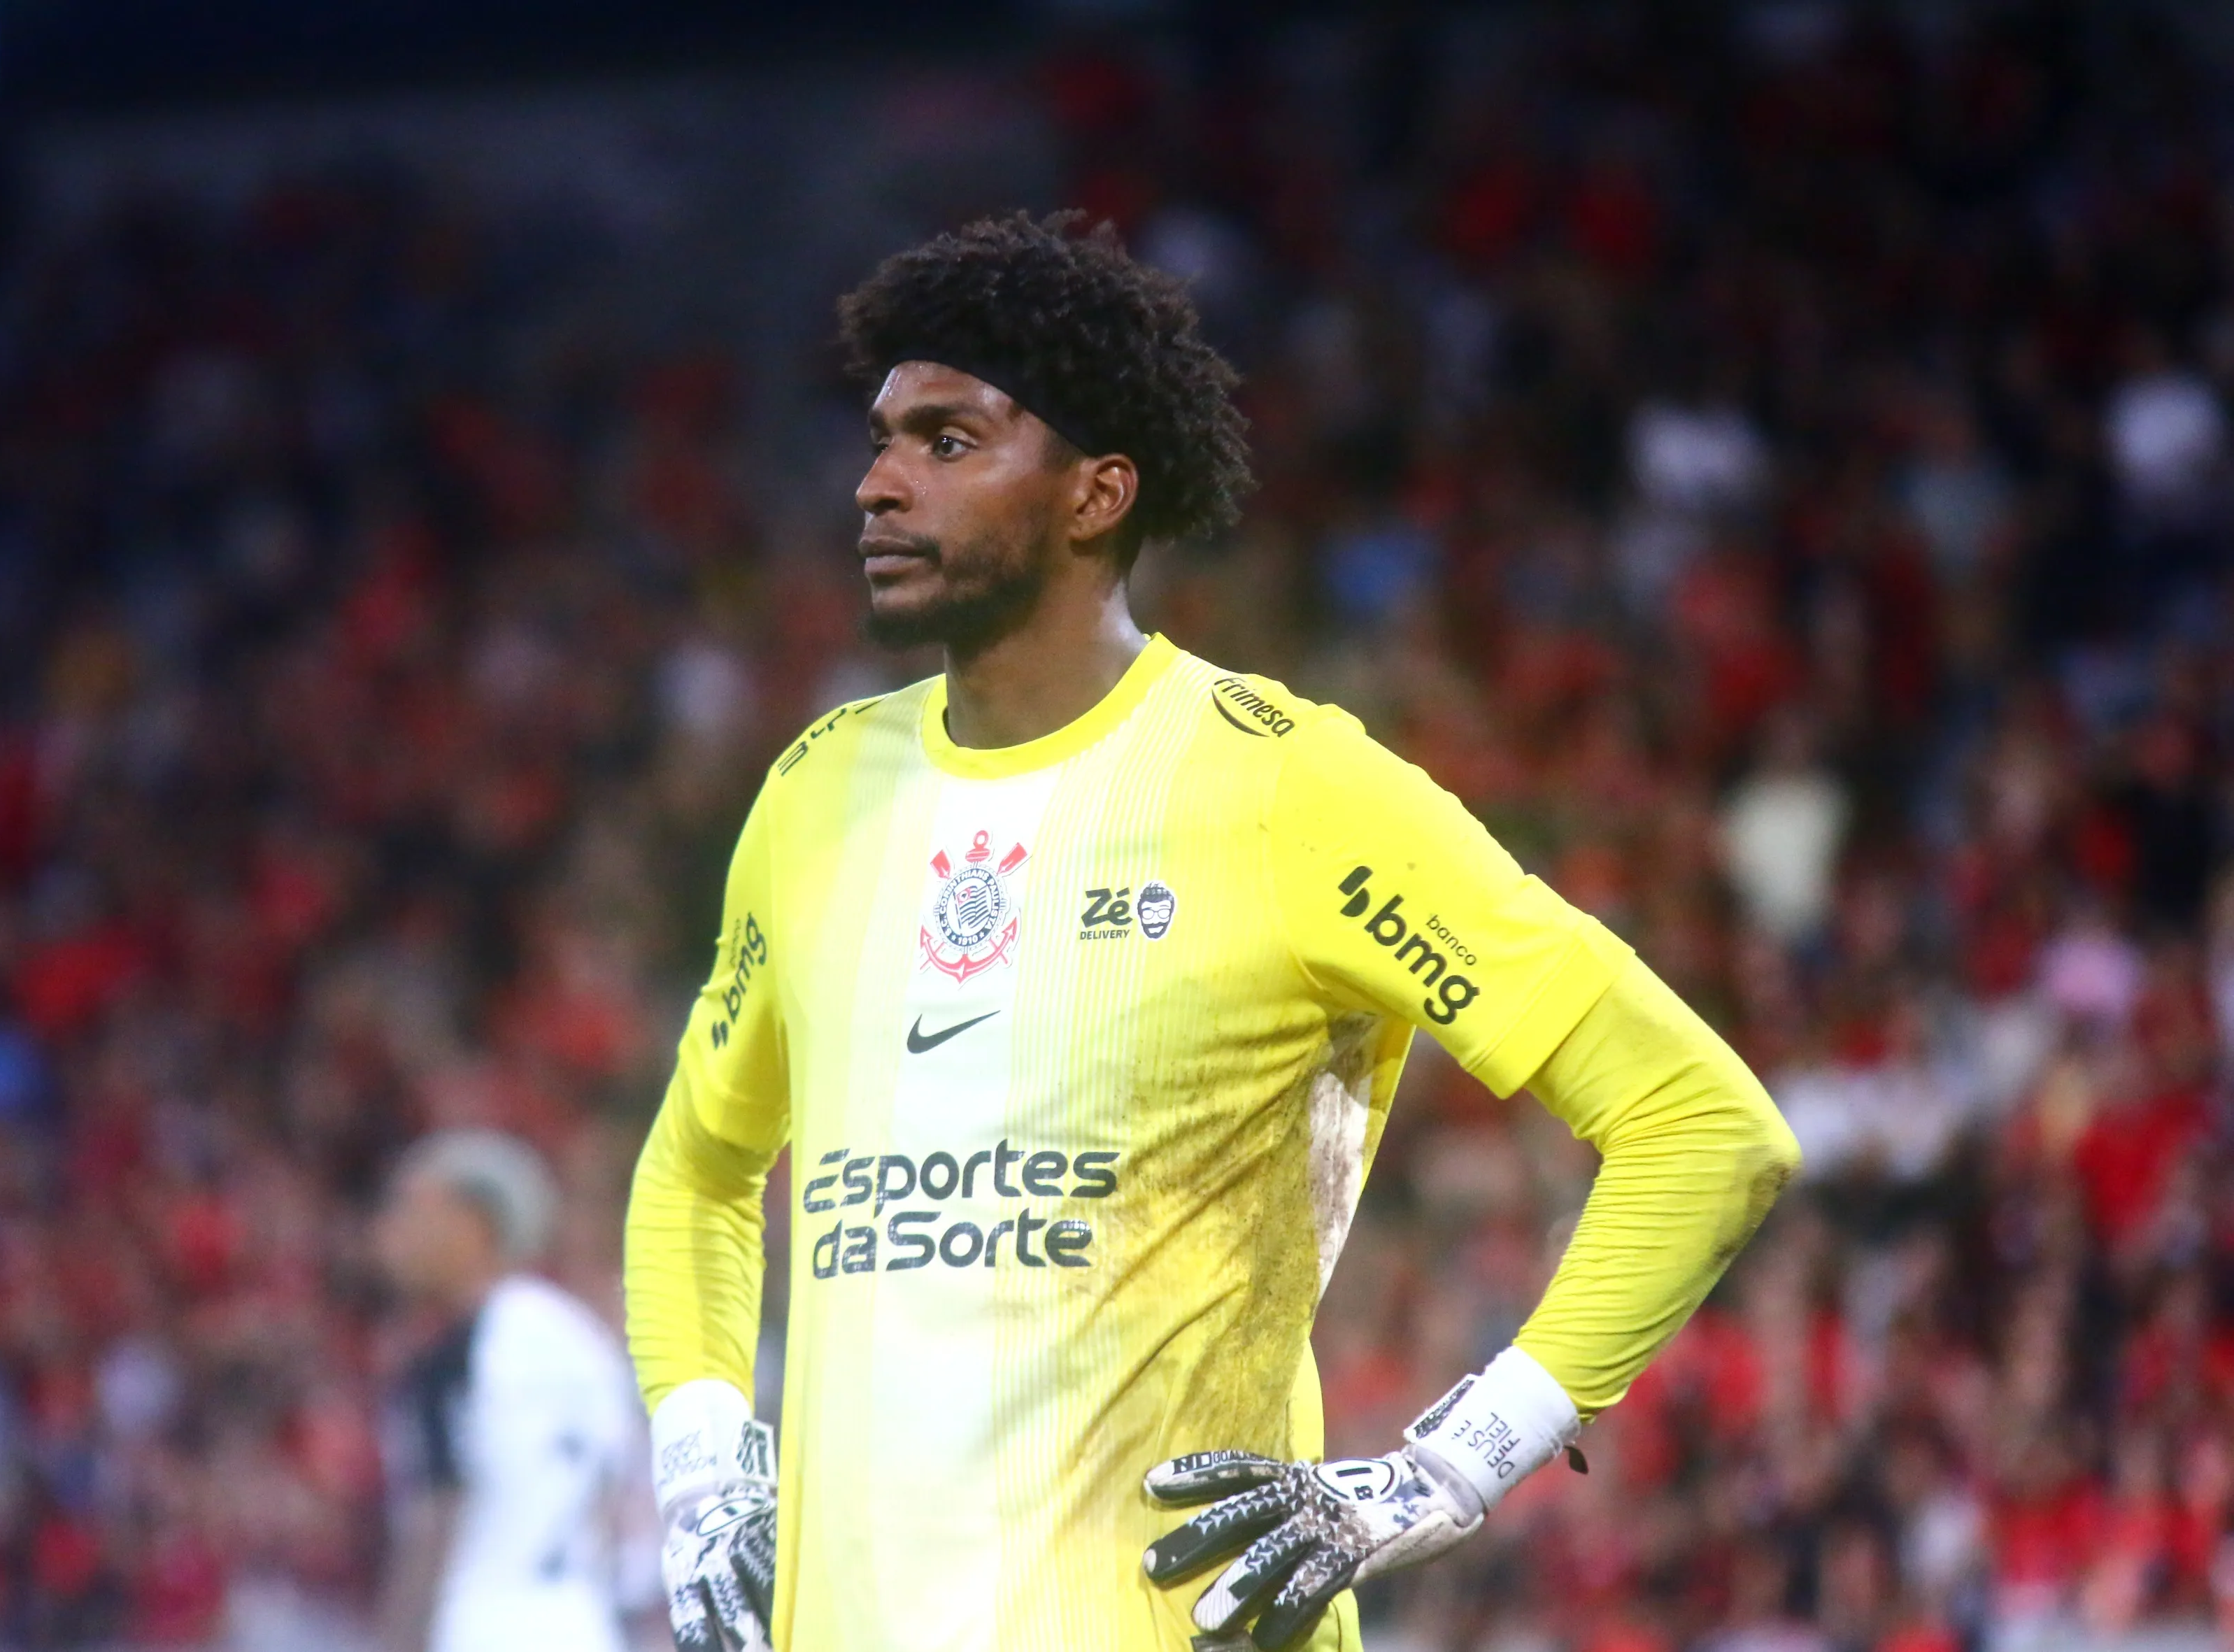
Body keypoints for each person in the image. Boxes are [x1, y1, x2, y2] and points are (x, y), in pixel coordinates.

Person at [622, 212, 1802, 1652]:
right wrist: (702, 1467)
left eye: (946, 441)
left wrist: (1437, 1471)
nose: (873, 485)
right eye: (878, 440)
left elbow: (1702, 1124)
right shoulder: (814, 792)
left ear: (1095, 492)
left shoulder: (1286, 784)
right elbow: (695, 1169)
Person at [373, 1130, 650, 1652]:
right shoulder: (579, 1340)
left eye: (411, 1209)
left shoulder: (459, 1355)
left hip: (481, 1623)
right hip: (586, 1625)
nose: (391, 1232)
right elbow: (622, 1511)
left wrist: (398, 1639)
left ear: (473, 1223)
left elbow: (437, 1518)